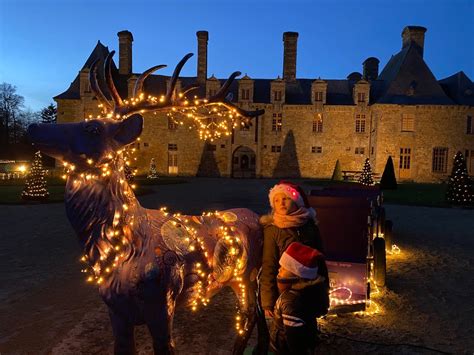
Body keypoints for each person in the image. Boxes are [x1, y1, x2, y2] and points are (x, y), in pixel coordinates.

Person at [260, 180, 326, 318]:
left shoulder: (309, 226)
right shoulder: (273, 230)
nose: (281, 203)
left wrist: (323, 297)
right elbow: (268, 266)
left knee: (308, 322)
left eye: (286, 198)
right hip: (284, 289)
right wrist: (268, 302)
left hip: (310, 287)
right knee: (286, 326)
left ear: (297, 202)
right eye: (276, 200)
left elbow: (320, 261)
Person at [270, 242, 329, 354]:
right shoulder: (310, 291)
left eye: (283, 268)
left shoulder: (289, 301)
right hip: (307, 344)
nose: (279, 270)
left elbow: (294, 340)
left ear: (295, 274)